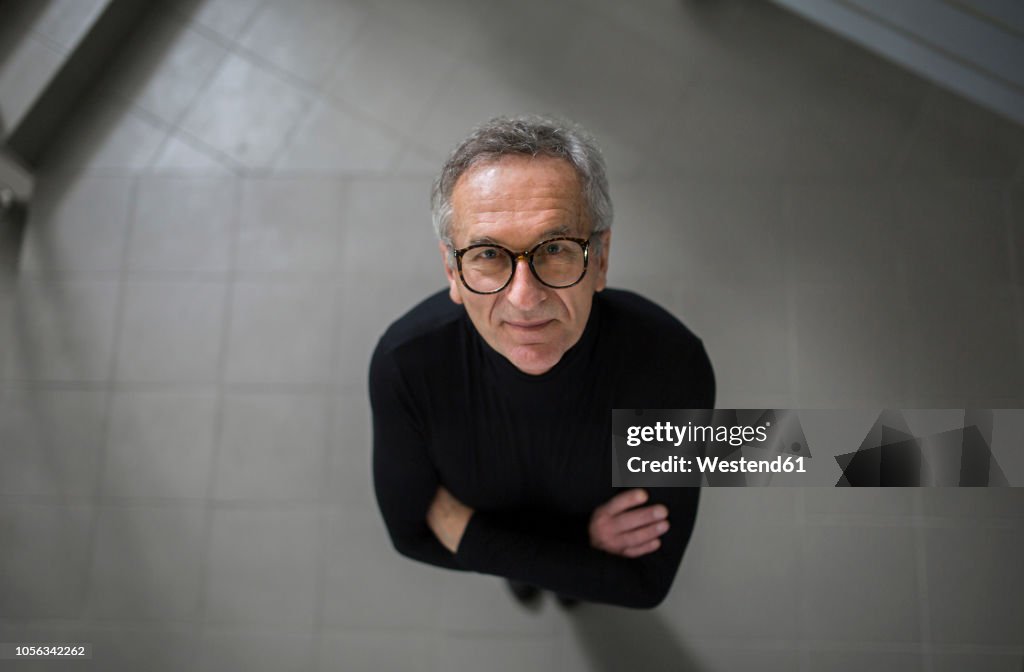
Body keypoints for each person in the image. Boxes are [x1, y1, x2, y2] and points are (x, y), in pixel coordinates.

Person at [369, 115, 715, 609]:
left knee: (559, 586)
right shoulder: (405, 364)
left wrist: (468, 531)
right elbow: (410, 536)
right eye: (488, 254)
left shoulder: (671, 363)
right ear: (452, 270)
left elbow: (645, 583)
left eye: (555, 249)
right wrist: (582, 552)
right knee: (536, 581)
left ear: (600, 258)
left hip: (497, 535)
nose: (525, 299)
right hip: (581, 542)